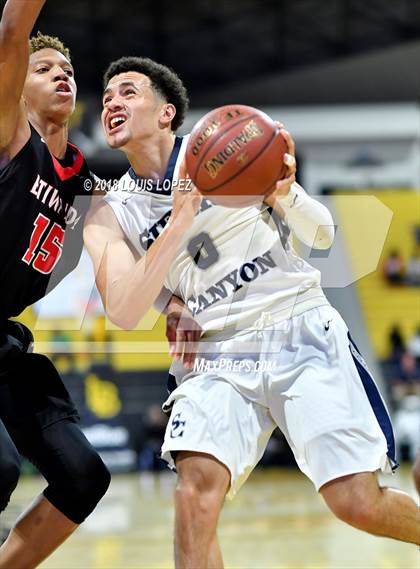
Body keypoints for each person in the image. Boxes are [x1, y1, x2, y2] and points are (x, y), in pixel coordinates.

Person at [84, 56, 420, 568]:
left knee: (357, 504)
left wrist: (285, 195)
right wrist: (176, 253)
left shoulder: (228, 148)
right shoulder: (111, 208)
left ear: (166, 112)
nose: (112, 102)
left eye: (127, 92)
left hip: (296, 327)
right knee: (193, 496)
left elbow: (323, 237)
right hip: (215, 355)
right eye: (107, 96)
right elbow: (126, 312)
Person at [0, 2, 110, 567]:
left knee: (83, 475)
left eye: (65, 69)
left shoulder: (89, 184)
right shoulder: (10, 134)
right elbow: (12, 28)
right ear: (17, 88)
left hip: (5, 341)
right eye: (42, 69)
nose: (60, 73)